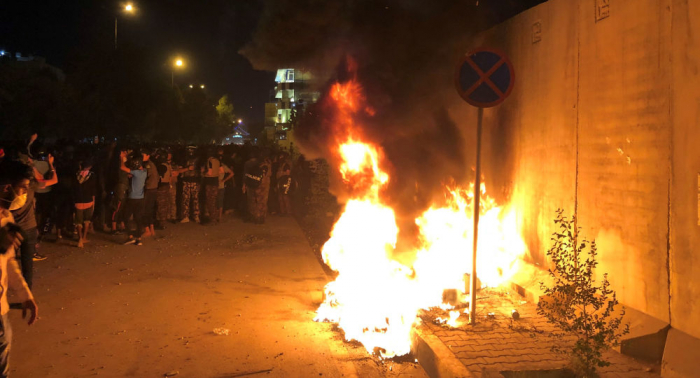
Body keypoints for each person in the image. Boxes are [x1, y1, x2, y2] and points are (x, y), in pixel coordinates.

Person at [0, 160, 39, 377]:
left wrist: (25, 295)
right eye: (22, 188)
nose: (24, 194)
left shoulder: (6, 217)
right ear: (7, 187)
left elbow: (9, 261)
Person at [120, 157, 147, 246]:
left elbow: (122, 168)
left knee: (126, 217)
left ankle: (130, 237)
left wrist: (121, 159)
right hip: (141, 198)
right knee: (138, 218)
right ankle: (139, 239)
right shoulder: (144, 172)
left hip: (132, 198)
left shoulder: (136, 173)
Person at [73, 158, 97, 248]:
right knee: (87, 220)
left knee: (78, 221)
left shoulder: (76, 175)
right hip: (88, 200)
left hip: (78, 201)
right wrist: (94, 201)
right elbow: (93, 190)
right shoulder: (92, 176)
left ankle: (79, 239)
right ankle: (84, 237)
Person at [178, 146, 200, 223]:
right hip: (186, 181)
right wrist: (187, 169)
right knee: (185, 199)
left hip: (195, 181)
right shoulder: (183, 159)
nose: (191, 151)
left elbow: (201, 170)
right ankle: (185, 216)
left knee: (195, 199)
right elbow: (179, 170)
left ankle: (196, 215)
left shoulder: (198, 159)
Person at [110, 148, 129, 235]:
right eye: (124, 151)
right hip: (120, 186)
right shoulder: (117, 163)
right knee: (117, 205)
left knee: (123, 206)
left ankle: (121, 224)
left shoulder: (126, 162)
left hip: (124, 185)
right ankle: (113, 226)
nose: (126, 153)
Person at [142, 149, 159, 237]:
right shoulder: (151, 164)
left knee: (144, 209)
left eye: (143, 155)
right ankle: (151, 229)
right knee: (150, 209)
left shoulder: (147, 165)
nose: (142, 157)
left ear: (148, 155)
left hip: (149, 189)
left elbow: (144, 176)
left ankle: (147, 230)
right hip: (153, 189)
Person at [202, 149, 221, 223]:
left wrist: (203, 173)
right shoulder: (218, 161)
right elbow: (221, 171)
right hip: (216, 182)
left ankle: (212, 218)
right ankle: (216, 217)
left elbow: (209, 173)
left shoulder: (209, 161)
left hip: (209, 182)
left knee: (210, 201)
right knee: (214, 200)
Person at [155, 150, 173, 229]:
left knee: (161, 205)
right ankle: (162, 222)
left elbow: (159, 177)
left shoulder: (162, 166)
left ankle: (162, 223)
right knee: (164, 205)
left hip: (161, 186)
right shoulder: (167, 165)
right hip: (166, 186)